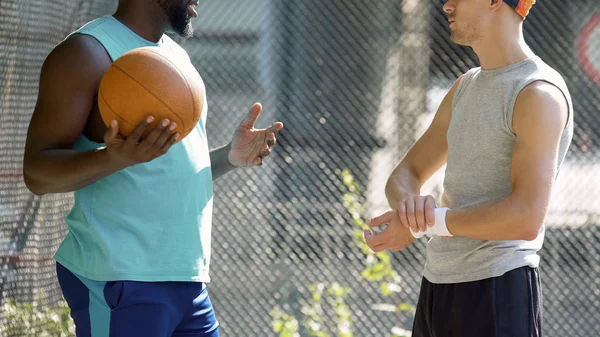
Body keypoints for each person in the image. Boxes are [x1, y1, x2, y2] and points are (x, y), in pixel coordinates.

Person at [22, 0, 283, 336]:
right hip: (120, 279)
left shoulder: (175, 57)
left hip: (187, 281)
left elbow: (164, 170)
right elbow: (37, 174)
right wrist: (112, 157)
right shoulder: (85, 53)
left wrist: (228, 157)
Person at [364, 0, 573, 336]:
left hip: (497, 291)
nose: (446, 5)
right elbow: (405, 175)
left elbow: (526, 217)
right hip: (437, 286)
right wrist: (410, 213)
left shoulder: (538, 93)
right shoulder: (465, 86)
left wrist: (426, 222)